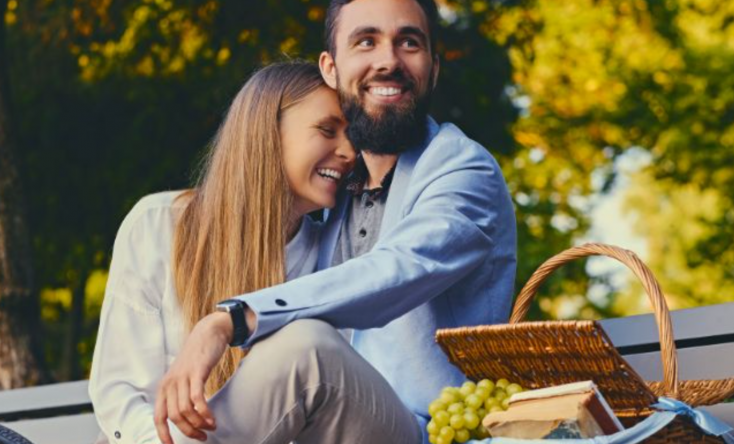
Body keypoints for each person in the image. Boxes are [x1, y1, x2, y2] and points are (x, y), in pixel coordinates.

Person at [152, 0, 518, 443]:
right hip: (324, 429)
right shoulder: (336, 191)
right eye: (366, 41)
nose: (388, 60)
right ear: (330, 67)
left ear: (433, 68)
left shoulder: (464, 171)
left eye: (409, 42)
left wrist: (231, 319)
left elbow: (397, 270)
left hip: (428, 433)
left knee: (304, 348)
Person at [88, 61, 355, 443]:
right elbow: (121, 392)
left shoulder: (331, 258)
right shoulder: (157, 226)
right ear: (266, 133)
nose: (349, 151)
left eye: (352, 135)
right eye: (327, 130)